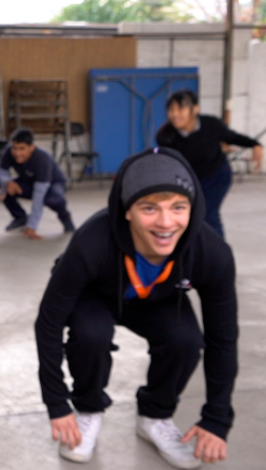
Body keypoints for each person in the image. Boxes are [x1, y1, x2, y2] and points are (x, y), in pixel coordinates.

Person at [35, 148, 237, 469]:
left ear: (193, 207)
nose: (166, 222)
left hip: (159, 299)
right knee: (91, 334)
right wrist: (57, 403)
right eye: (149, 208)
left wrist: (217, 418)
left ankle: (155, 416)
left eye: (178, 207)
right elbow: (48, 323)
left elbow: (223, 339)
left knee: (185, 341)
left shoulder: (211, 253)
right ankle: (87, 409)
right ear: (127, 210)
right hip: (98, 295)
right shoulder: (91, 242)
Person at [155, 90, 261, 239]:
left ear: (195, 109)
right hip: (188, 181)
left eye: (180, 108)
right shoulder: (166, 136)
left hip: (217, 177)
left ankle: (218, 254)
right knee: (188, 216)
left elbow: (232, 137)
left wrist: (255, 145)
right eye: (171, 110)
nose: (175, 114)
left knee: (207, 214)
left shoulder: (211, 124)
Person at [0, 128, 75, 240]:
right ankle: (20, 217)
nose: (17, 153)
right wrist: (6, 183)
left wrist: (32, 226)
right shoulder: (9, 151)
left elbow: (39, 195)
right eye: (15, 148)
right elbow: (0, 172)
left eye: (22, 149)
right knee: (4, 189)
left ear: (32, 147)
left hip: (53, 183)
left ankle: (65, 217)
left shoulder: (42, 159)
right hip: (29, 182)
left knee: (54, 200)